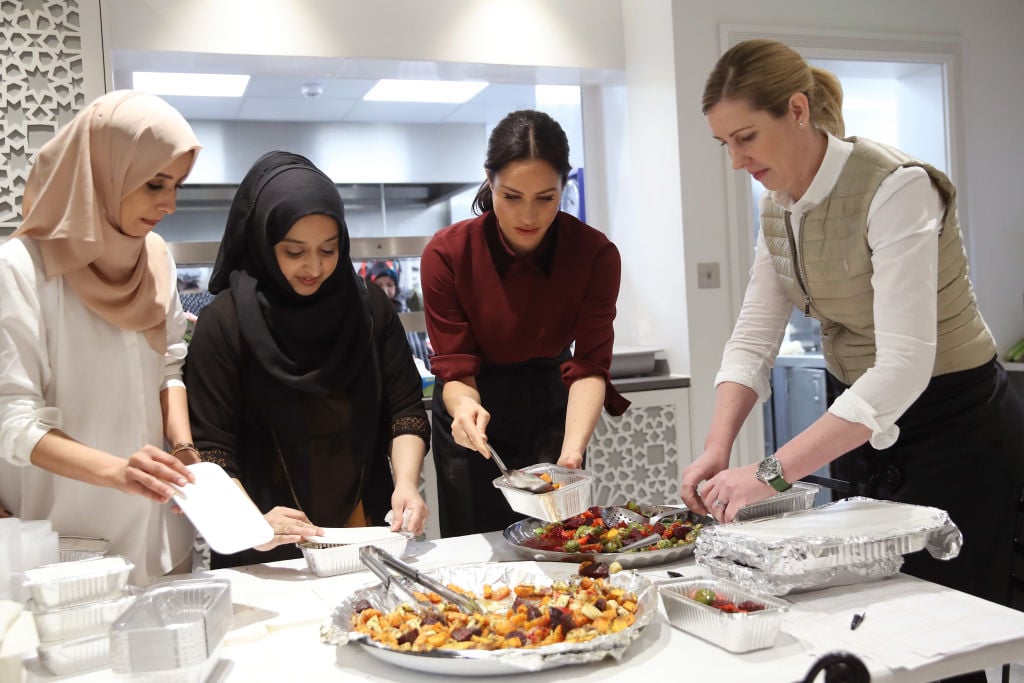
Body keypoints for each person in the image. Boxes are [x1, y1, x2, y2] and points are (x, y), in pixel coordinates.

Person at [682, 40, 1024, 619]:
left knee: (945, 629)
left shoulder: (897, 187)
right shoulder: (779, 205)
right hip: (859, 430)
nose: (736, 160)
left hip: (956, 429)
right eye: (725, 144)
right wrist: (718, 448)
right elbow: (751, 341)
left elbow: (903, 366)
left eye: (746, 138)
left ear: (795, 110)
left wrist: (769, 474)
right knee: (862, 619)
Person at [184, 151, 429, 568]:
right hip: (264, 541)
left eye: (328, 249)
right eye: (294, 251)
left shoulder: (367, 308)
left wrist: (406, 483)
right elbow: (212, 449)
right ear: (263, 242)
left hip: (365, 529)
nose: (314, 267)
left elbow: (404, 410)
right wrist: (250, 522)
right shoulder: (224, 323)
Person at [0, 91, 203, 583]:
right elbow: (14, 424)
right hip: (67, 549)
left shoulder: (154, 256)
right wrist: (119, 473)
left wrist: (181, 447)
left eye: (177, 185)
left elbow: (169, 367)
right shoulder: (22, 269)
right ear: (102, 171)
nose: (170, 204)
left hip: (163, 536)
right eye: (155, 183)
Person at [422, 109, 629, 537]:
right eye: (511, 196)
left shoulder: (593, 255)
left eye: (546, 198)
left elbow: (590, 366)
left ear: (564, 187)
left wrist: (572, 453)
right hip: (473, 411)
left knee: (559, 541)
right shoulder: (448, 253)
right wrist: (463, 410)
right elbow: (456, 367)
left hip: (553, 406)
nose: (529, 216)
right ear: (489, 180)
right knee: (476, 546)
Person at [366, 261, 433, 370]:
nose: (385, 290)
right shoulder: (367, 311)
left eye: (389, 285)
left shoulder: (405, 305)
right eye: (378, 285)